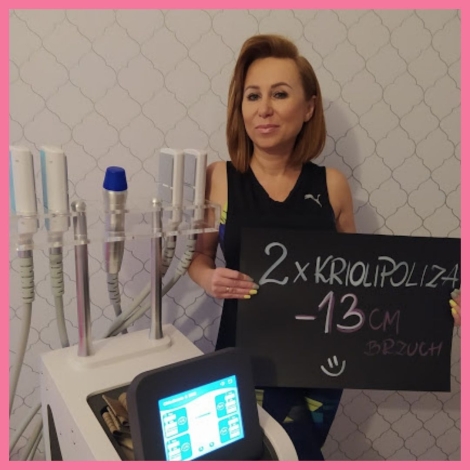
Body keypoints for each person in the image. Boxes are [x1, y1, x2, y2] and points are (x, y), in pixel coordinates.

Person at [187, 34, 461, 460]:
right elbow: (200, 258)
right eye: (252, 96)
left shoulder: (332, 185)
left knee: (300, 451)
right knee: (276, 454)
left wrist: (435, 306)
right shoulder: (218, 177)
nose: (264, 109)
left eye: (280, 94)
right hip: (246, 354)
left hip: (323, 362)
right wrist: (208, 278)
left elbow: (364, 281)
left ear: (309, 107)